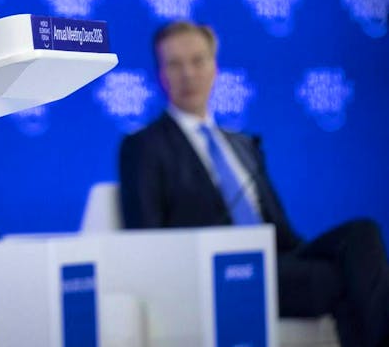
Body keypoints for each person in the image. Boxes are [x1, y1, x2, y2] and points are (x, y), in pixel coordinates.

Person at [119, 20, 389, 347]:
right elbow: (146, 239)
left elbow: (282, 231)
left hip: (279, 258)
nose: (188, 74)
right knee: (343, 280)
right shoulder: (144, 146)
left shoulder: (242, 144)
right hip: (221, 272)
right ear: (160, 75)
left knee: (362, 234)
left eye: (198, 60)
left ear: (214, 67)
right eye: (174, 64)